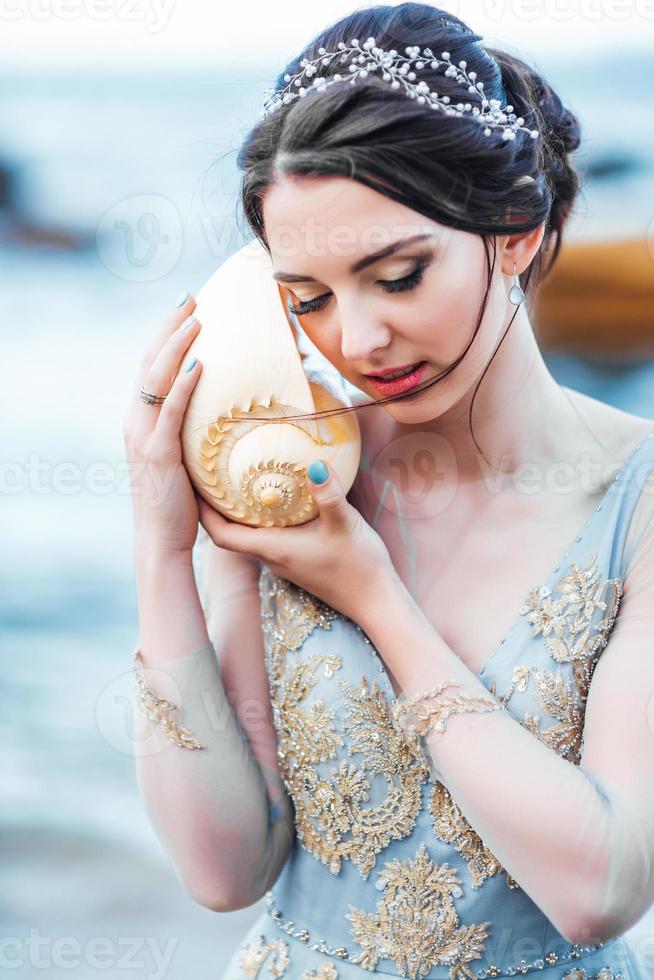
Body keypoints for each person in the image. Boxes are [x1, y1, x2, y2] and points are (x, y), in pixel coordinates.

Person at [122, 5, 654, 978]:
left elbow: (600, 887)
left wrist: (374, 595)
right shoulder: (301, 476)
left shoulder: (640, 501)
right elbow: (224, 865)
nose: (357, 342)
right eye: (309, 298)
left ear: (514, 234)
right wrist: (166, 549)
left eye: (398, 274)